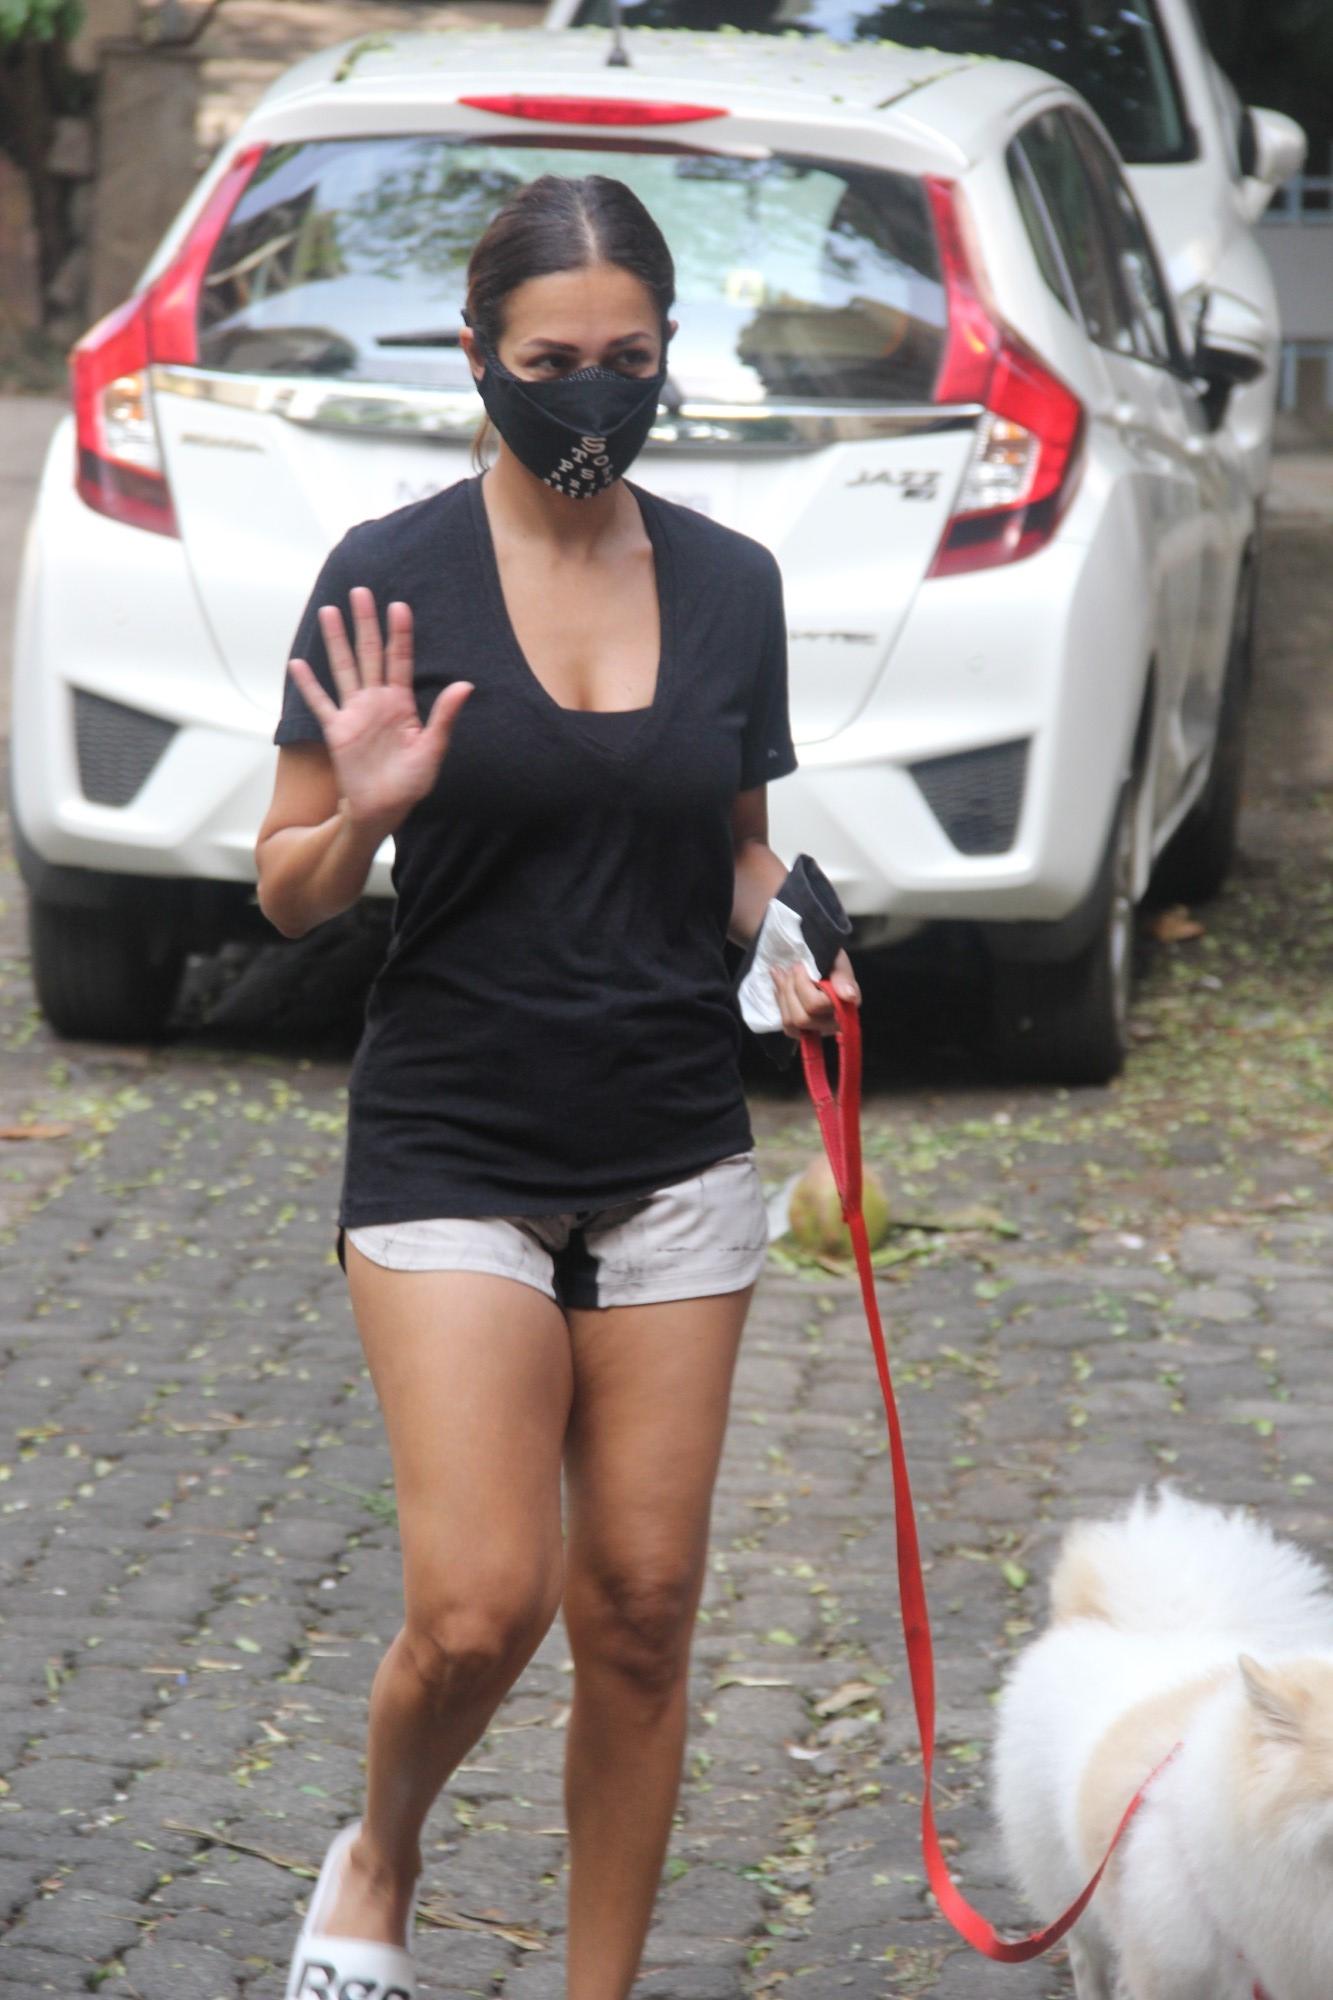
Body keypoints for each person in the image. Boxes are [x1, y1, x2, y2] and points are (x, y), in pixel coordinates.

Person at [254, 172, 860, 2000]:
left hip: (674, 1141)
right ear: (476, 357)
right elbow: (281, 890)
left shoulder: (734, 587)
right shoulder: (389, 575)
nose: (590, 396)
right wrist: (355, 814)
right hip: (453, 1137)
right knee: (478, 1604)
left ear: (671, 359)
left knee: (646, 1615)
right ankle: (383, 1851)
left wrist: (796, 943)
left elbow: (730, 854)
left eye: (628, 360)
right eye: (551, 361)